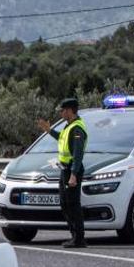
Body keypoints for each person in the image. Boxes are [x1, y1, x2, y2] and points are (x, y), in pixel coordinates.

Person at [36, 98, 87, 248]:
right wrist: (49, 130)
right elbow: (62, 139)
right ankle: (75, 236)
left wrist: (73, 174)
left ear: (70, 110)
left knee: (73, 205)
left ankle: (79, 239)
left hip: (72, 169)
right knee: (65, 204)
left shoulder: (77, 128)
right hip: (64, 169)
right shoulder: (69, 126)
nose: (61, 112)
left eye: (63, 110)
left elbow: (78, 154)